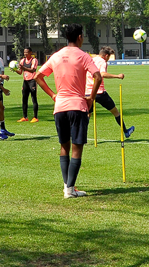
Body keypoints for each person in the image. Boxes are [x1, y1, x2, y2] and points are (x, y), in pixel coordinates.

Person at [36, 23, 102, 199]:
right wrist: (91, 98)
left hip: (60, 108)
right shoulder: (83, 56)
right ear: (80, 37)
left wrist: (53, 95)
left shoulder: (56, 56)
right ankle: (70, 190)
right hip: (77, 106)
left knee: (64, 146)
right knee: (76, 148)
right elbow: (98, 76)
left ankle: (68, 187)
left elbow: (38, 76)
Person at [86, 47, 134, 138]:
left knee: (87, 115)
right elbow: (102, 74)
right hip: (100, 92)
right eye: (109, 57)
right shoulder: (102, 62)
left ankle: (79, 135)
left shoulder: (91, 60)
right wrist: (117, 76)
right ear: (106, 56)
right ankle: (126, 131)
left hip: (88, 92)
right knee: (116, 112)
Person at [17, 48, 39, 123]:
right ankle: (25, 117)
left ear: (30, 52)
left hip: (32, 81)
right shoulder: (22, 61)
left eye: (27, 52)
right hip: (25, 81)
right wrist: (14, 69)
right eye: (24, 52)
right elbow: (20, 72)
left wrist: (24, 68)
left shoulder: (34, 60)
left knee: (33, 98)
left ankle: (35, 117)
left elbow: (33, 70)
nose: (25, 54)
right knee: (24, 99)